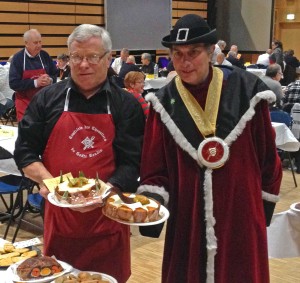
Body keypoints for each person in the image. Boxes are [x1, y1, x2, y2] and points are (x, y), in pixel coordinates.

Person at [136, 14, 282, 283]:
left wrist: (258, 214)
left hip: (241, 213)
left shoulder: (247, 91)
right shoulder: (163, 103)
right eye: (177, 54)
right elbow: (154, 168)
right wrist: (151, 205)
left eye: (193, 53)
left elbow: (267, 159)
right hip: (187, 219)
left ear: (211, 52)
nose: (185, 62)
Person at [14, 24, 145, 283]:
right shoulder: (47, 99)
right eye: (76, 57)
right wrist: (51, 185)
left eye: (92, 57)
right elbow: (25, 152)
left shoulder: (125, 105)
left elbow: (133, 163)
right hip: (59, 220)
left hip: (108, 220)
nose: (83, 64)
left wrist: (103, 193)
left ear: (108, 59)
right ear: (67, 59)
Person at [9, 29, 57, 121]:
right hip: (24, 103)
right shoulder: (18, 59)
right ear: (26, 43)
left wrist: (50, 80)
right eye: (35, 43)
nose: (39, 45)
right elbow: (13, 83)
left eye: (40, 42)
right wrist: (36, 83)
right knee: (26, 133)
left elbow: (54, 74)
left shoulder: (45, 56)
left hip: (44, 102)